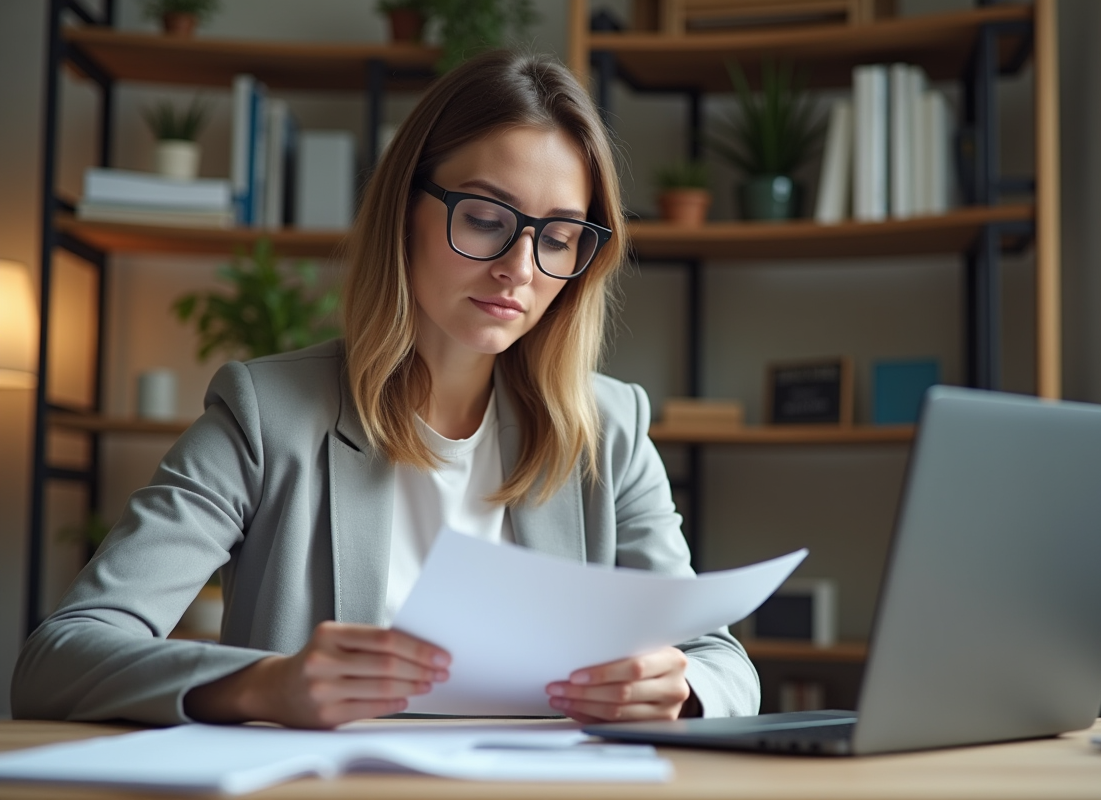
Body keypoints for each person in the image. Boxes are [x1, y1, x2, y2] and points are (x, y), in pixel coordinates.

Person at [12, 50, 759, 729]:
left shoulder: (608, 427)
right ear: (405, 208)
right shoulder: (266, 415)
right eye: (486, 218)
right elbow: (59, 658)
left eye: (559, 236)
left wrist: (680, 687)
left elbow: (722, 664)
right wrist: (266, 686)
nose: (520, 268)